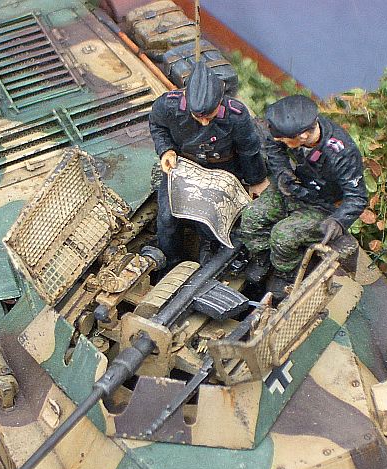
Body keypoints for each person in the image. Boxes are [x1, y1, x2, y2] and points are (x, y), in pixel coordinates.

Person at [241, 94, 367, 296]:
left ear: (303, 136)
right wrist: (283, 172)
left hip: (322, 205)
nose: (279, 139)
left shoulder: (341, 154)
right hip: (293, 188)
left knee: (283, 235)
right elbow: (272, 145)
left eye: (284, 139)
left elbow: (357, 197)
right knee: (252, 216)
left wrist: (339, 221)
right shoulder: (288, 131)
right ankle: (263, 258)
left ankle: (286, 272)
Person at [149, 60, 268, 265]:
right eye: (198, 116)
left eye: (209, 115)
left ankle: (209, 248)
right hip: (184, 165)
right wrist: (166, 150)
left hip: (222, 169)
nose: (204, 122)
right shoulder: (167, 106)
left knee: (212, 221)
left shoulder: (236, 115)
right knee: (167, 218)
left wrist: (256, 180)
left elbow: (248, 149)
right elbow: (157, 126)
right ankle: (170, 260)